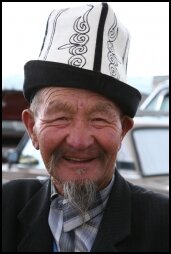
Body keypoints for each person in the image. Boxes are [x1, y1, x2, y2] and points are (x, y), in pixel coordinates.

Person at [2, 2, 169, 252]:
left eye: (99, 118)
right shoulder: (7, 207)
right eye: (60, 117)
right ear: (32, 128)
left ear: (122, 129)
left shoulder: (162, 226)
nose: (79, 141)